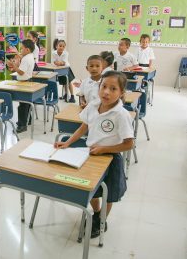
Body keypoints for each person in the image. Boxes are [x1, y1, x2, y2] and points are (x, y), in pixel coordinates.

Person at [55, 71, 134, 238]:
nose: (106, 92)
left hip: (111, 159)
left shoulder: (121, 114)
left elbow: (129, 143)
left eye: (113, 89)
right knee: (91, 188)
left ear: (121, 93)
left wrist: (104, 149)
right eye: (104, 86)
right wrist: (67, 142)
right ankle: (97, 213)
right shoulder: (93, 105)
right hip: (90, 154)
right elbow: (84, 127)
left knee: (108, 193)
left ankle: (102, 220)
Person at [6, 39, 35, 133]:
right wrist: (18, 59)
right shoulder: (30, 56)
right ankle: (28, 120)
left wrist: (13, 65)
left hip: (24, 82)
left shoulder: (26, 58)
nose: (20, 50)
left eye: (22, 48)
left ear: (27, 49)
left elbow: (21, 72)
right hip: (27, 81)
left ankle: (22, 125)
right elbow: (22, 66)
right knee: (26, 104)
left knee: (22, 105)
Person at [52, 39, 75, 103]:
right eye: (60, 46)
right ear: (56, 46)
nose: (61, 47)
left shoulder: (66, 53)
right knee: (64, 83)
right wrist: (58, 63)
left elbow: (63, 63)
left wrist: (58, 63)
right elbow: (54, 61)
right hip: (59, 69)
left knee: (69, 82)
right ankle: (66, 94)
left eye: (63, 46)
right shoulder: (54, 53)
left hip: (66, 68)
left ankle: (72, 96)